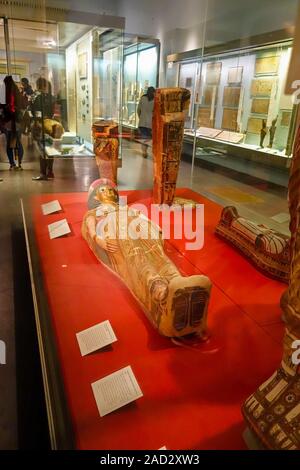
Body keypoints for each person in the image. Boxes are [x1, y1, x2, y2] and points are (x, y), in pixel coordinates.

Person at [82, 178, 211, 338]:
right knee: (136, 256)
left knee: (157, 254)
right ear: (95, 197)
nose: (109, 191)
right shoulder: (95, 212)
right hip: (115, 229)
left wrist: (154, 227)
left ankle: (179, 284)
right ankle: (160, 293)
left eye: (111, 190)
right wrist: (97, 238)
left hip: (135, 224)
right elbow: (90, 225)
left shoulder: (127, 208)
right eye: (103, 190)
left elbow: (142, 218)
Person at [31, 77, 56, 180]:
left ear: (37, 85)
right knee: (50, 149)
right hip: (50, 125)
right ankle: (50, 171)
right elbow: (53, 112)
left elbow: (33, 112)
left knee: (42, 150)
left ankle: (43, 173)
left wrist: (37, 121)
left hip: (40, 125)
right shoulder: (51, 97)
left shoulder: (36, 97)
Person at [3, 76, 26, 170]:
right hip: (18, 121)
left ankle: (12, 164)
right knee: (18, 143)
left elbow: (9, 108)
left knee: (9, 144)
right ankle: (19, 163)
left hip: (10, 122)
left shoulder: (8, 92)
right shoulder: (17, 92)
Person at [137, 86, 155, 158]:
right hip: (150, 124)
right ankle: (145, 151)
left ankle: (144, 151)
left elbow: (138, 110)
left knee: (144, 138)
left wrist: (141, 118)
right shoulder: (155, 100)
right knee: (148, 138)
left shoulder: (142, 98)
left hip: (142, 122)